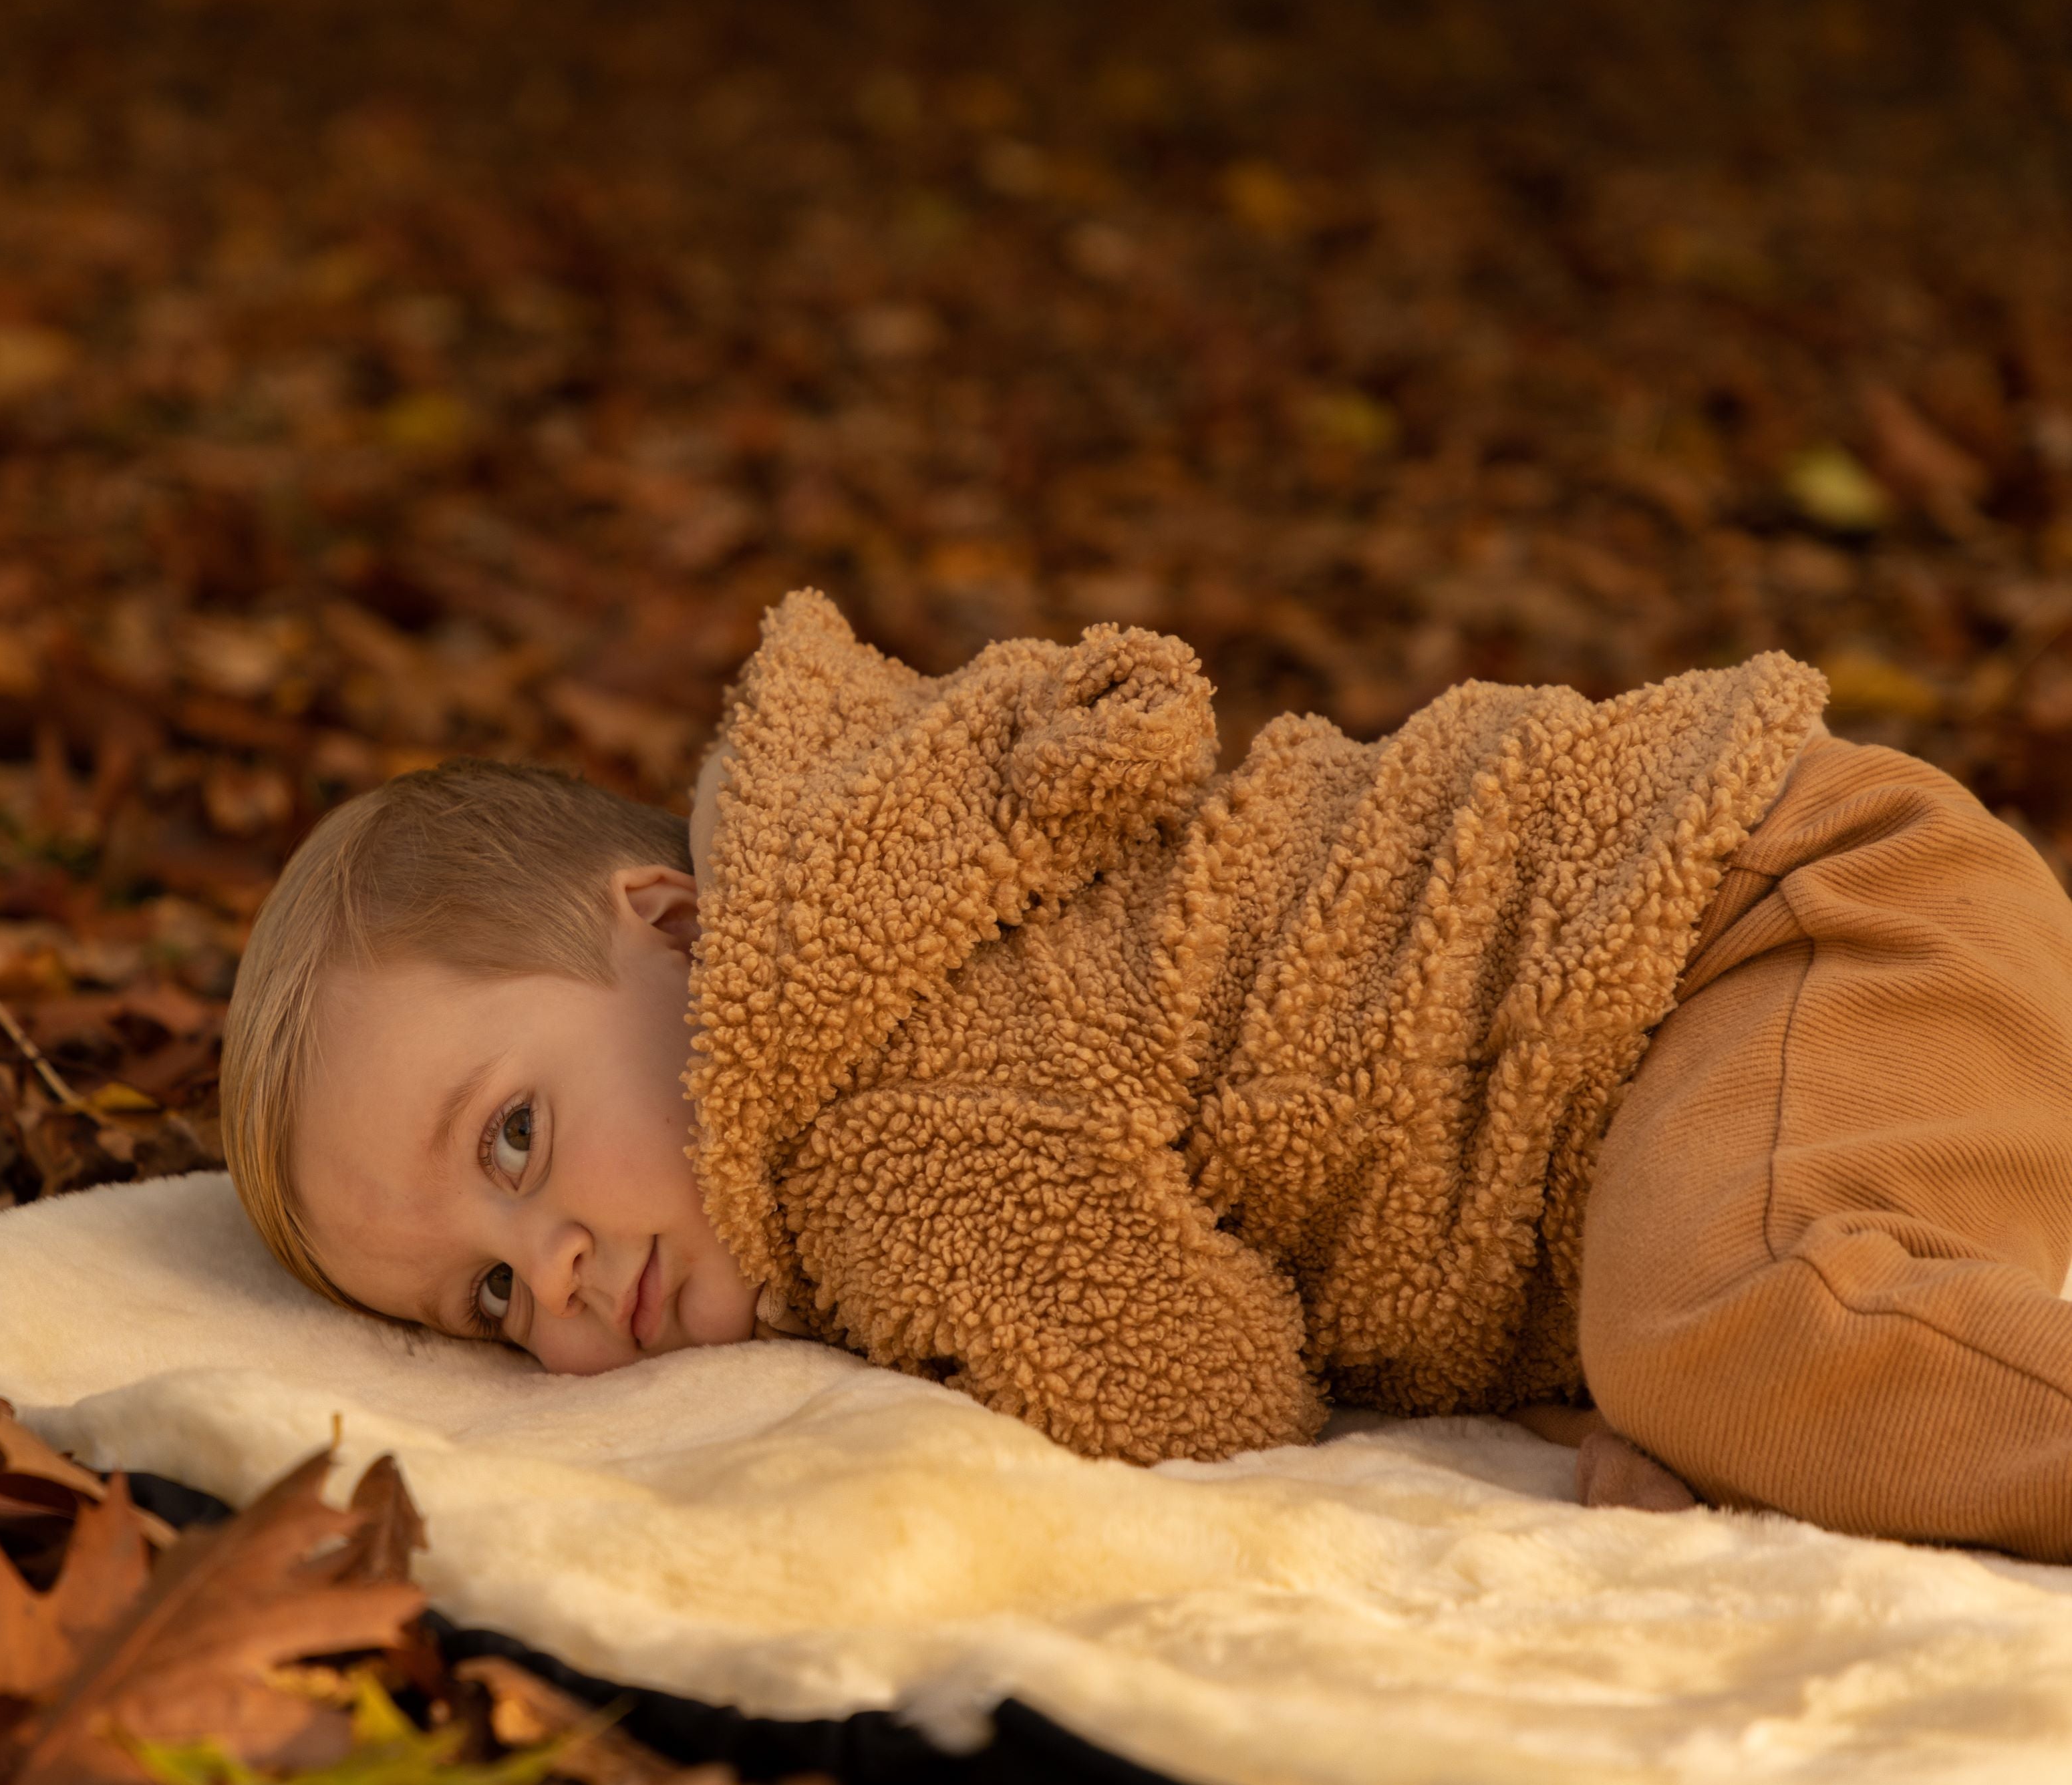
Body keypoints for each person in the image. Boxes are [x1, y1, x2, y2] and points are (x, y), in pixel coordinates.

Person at [219, 589, 2072, 1562]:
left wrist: (905, 1336)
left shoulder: (885, 1119)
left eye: (519, 1138)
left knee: (1733, 1326)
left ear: (678, 927)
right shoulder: (896, 901)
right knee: (1720, 1337)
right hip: (1739, 984)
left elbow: (1193, 1387)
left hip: (1760, 916)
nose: (549, 1272)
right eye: (480, 1291)